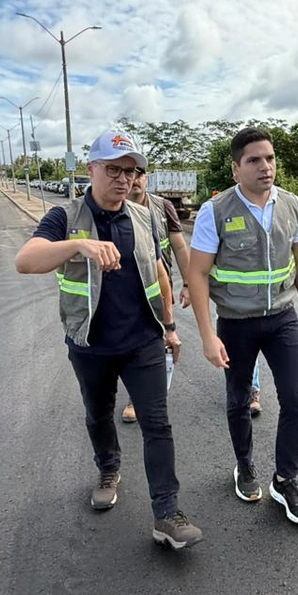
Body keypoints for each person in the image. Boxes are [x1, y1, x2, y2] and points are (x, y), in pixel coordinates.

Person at [14, 130, 203, 550]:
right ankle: (108, 469)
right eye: (113, 169)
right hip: (90, 344)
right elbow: (25, 261)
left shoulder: (143, 217)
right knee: (98, 414)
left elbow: (157, 271)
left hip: (143, 342)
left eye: (131, 171)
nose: (123, 179)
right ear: (91, 169)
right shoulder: (65, 217)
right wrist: (79, 245)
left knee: (158, 424)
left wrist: (169, 327)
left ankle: (166, 513)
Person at [187, 127, 298, 525]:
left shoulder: (291, 205)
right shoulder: (216, 211)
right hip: (236, 322)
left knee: (295, 398)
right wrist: (208, 336)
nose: (266, 167)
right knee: (238, 398)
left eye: (270, 158)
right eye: (255, 160)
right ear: (236, 169)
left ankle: (285, 479)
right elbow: (197, 274)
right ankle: (244, 466)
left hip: (281, 318)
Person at [120, 165, 193, 423]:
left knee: (159, 340)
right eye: (131, 174)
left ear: (146, 179)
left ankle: (147, 396)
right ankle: (135, 396)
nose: (135, 180)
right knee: (133, 343)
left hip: (158, 290)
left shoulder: (163, 208)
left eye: (140, 175)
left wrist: (188, 283)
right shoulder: (113, 209)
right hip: (127, 292)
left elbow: (179, 246)